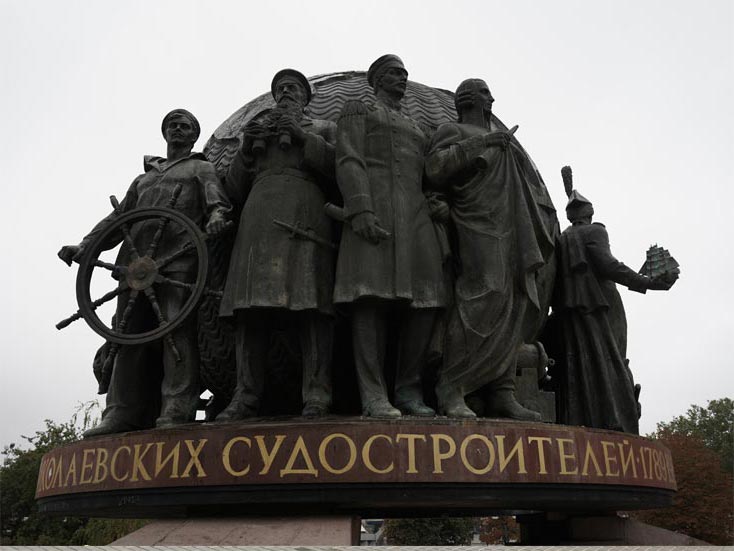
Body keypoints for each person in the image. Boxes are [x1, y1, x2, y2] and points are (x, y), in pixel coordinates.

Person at [58, 109, 231, 436]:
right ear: (165, 133)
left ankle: (177, 408)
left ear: (194, 135)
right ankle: (120, 412)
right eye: (172, 125)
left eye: (184, 126)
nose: (177, 129)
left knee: (175, 333)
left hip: (179, 262)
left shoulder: (201, 168)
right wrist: (86, 245)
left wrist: (217, 217)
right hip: (134, 267)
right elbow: (118, 219)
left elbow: (217, 203)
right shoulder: (144, 179)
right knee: (125, 338)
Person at [425, 78, 555, 420]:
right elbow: (435, 169)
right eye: (484, 92)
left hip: (510, 225)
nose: (492, 98)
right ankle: (451, 386)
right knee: (483, 294)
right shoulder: (452, 130)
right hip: (476, 222)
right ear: (468, 98)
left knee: (515, 300)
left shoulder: (503, 141)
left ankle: (501, 391)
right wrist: (484, 142)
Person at [216, 69, 336, 420]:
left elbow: (339, 170)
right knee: (249, 310)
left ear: (305, 97)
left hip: (305, 213)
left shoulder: (324, 128)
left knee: (312, 306)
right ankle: (245, 396)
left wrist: (301, 136)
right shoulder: (258, 135)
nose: (285, 92)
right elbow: (233, 190)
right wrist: (244, 151)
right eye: (280, 88)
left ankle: (317, 394)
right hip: (258, 218)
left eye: (293, 88)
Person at [334, 54, 445, 418]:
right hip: (375, 205)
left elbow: (429, 173)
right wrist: (360, 208)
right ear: (379, 79)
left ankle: (408, 389)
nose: (403, 78)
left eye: (405, 73)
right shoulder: (357, 110)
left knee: (427, 300)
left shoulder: (416, 126)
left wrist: (437, 201)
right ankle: (373, 395)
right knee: (370, 298)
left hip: (416, 214)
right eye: (396, 73)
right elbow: (348, 158)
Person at [552, 167, 676, 434]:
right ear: (590, 213)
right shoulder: (595, 231)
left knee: (582, 360)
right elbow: (608, 266)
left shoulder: (562, 238)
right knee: (613, 358)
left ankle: (586, 415)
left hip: (571, 309)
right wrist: (647, 282)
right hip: (602, 304)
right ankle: (615, 417)